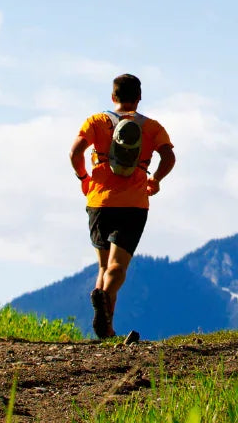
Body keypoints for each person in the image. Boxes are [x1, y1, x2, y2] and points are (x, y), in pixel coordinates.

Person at [69, 73, 176, 340]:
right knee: (118, 267)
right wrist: (156, 179)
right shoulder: (151, 127)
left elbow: (75, 152)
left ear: (113, 97)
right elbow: (169, 156)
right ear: (139, 98)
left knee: (104, 267)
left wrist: (84, 178)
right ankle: (104, 303)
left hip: (98, 202)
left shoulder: (97, 121)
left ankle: (106, 327)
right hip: (133, 204)